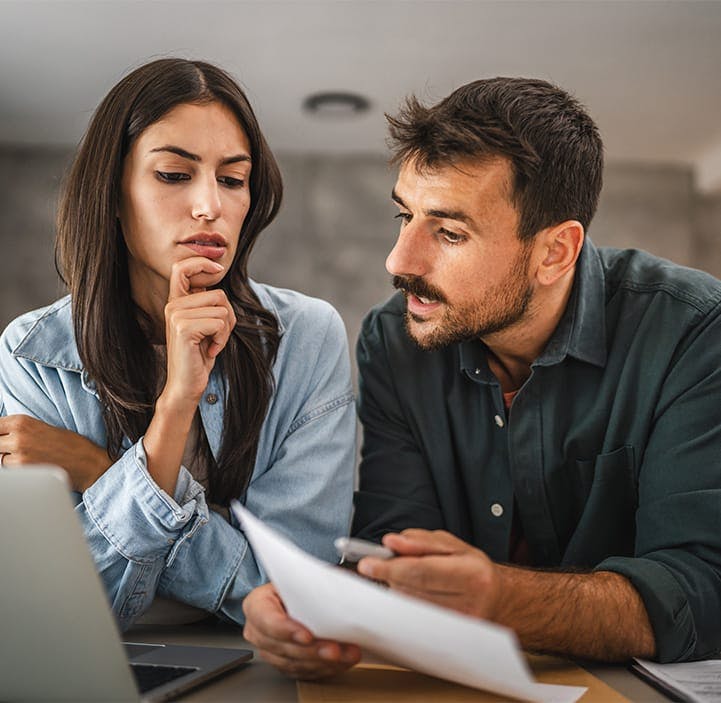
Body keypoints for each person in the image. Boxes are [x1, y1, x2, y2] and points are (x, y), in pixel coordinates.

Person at [242, 77, 721, 676]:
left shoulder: (693, 330)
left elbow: (702, 592)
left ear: (554, 252)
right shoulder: (396, 340)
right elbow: (394, 544)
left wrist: (502, 600)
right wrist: (308, 610)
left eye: (449, 232)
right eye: (405, 215)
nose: (399, 261)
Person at [0, 58, 355, 630]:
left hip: (259, 664)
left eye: (233, 179)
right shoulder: (33, 353)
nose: (209, 205)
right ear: (112, 194)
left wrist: (99, 472)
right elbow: (70, 609)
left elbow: (296, 594)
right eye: (174, 174)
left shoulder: (307, 337)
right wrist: (174, 410)